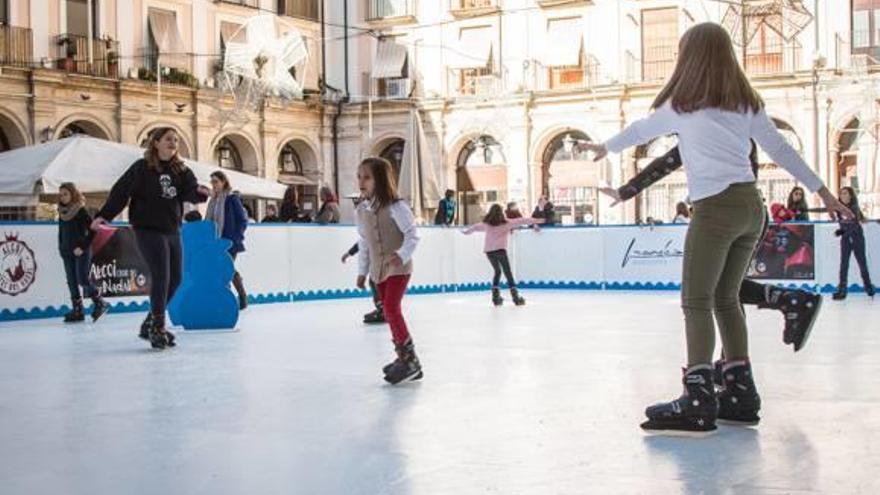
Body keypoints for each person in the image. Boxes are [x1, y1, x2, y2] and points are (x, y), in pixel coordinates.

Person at [579, 23, 850, 436]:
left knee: (696, 300)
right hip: (751, 208)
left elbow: (641, 131)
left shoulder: (683, 104)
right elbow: (781, 149)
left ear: (690, 57)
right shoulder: (746, 103)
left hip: (716, 209)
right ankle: (741, 394)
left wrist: (605, 147)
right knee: (726, 298)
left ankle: (698, 395)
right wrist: (823, 191)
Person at [92, 127, 210, 350]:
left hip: (172, 229)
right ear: (155, 142)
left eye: (176, 140)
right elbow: (121, 192)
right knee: (161, 277)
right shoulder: (142, 168)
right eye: (168, 139)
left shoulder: (181, 170)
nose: (173, 143)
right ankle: (158, 327)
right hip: (147, 230)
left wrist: (201, 193)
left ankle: (150, 322)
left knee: (175, 279)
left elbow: (191, 191)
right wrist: (103, 215)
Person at [355, 157, 421, 385]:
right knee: (388, 310)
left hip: (399, 267)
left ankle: (409, 359)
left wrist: (401, 254)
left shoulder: (397, 207)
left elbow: (413, 235)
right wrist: (362, 271)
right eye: (359, 177)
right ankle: (405, 358)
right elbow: (364, 242)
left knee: (392, 308)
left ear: (380, 180)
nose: (361, 182)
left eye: (367, 177)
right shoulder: (362, 210)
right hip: (378, 269)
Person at [462, 204, 543, 306]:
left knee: (497, 271)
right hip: (500, 251)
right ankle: (516, 298)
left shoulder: (487, 224)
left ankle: (495, 297)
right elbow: (522, 220)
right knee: (507, 273)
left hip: (489, 252)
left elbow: (474, 228)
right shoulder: (507, 223)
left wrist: (465, 232)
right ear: (501, 212)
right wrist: (537, 220)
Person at [57, 182, 109, 323]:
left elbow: (93, 230)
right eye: (60, 194)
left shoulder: (80, 211)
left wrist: (82, 247)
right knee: (72, 282)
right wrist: (61, 247)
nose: (62, 197)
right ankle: (78, 311)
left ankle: (100, 302)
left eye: (65, 194)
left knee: (82, 279)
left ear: (73, 194)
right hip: (67, 252)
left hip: (82, 252)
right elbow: (62, 232)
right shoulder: (62, 212)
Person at [205, 171, 249, 310]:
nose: (214, 185)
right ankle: (237, 296)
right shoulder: (213, 200)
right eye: (212, 182)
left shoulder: (231, 199)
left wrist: (237, 237)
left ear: (224, 182)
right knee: (226, 269)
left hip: (230, 242)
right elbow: (209, 221)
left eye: (216, 182)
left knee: (226, 269)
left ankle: (239, 297)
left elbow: (242, 220)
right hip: (216, 242)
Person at [832, 186, 875, 300]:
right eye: (841, 194)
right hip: (846, 239)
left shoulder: (854, 207)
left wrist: (842, 231)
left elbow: (854, 224)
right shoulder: (839, 210)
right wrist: (841, 231)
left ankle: (868, 287)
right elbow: (843, 224)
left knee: (862, 262)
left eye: (845, 193)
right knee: (843, 264)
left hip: (857, 238)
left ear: (850, 196)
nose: (843, 196)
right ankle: (842, 289)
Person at [342, 242, 384, 323]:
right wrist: (348, 254)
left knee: (377, 283)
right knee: (373, 282)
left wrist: (362, 274)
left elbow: (362, 243)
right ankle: (382, 309)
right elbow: (360, 244)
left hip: (383, 263)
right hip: (378, 265)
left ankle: (384, 310)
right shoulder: (366, 236)